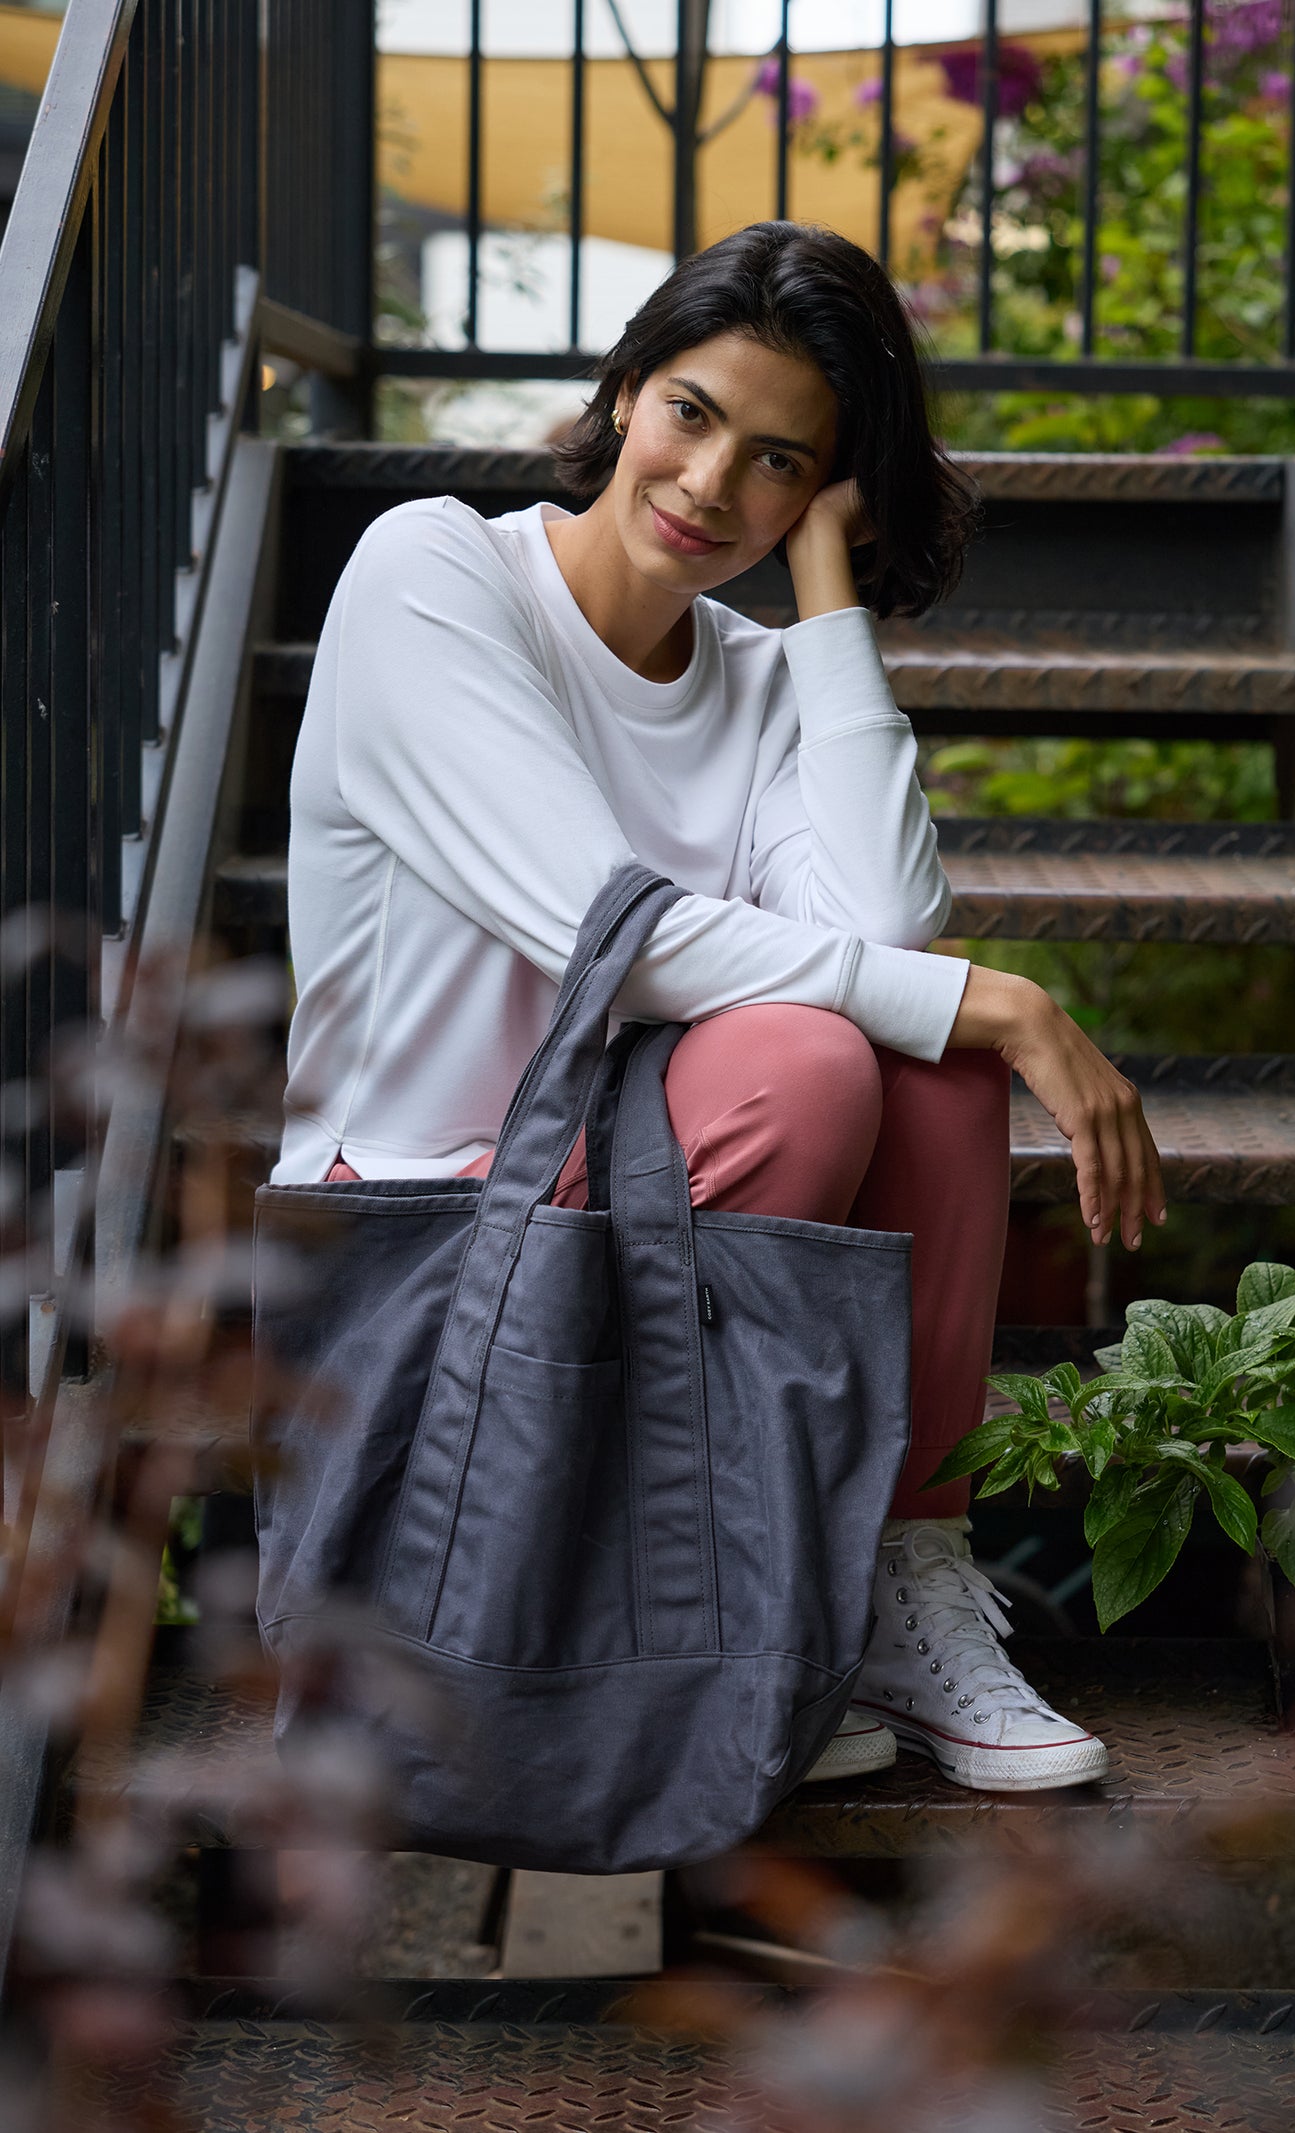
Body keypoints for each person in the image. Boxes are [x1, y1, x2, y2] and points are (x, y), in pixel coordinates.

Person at [273, 220, 1166, 1793]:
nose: (708, 487)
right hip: (427, 1226)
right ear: (624, 390)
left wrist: (828, 606)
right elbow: (626, 940)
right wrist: (1003, 998)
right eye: (690, 413)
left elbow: (888, 925)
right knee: (842, 1061)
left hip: (620, 1173)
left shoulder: (759, 683)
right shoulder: (430, 576)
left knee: (932, 1067)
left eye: (776, 464)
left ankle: (899, 1576)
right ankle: (670, 1601)